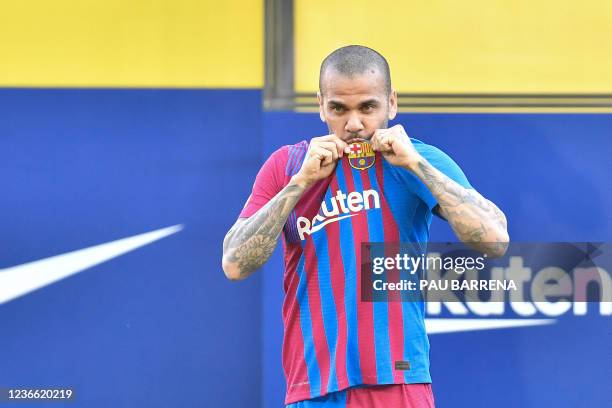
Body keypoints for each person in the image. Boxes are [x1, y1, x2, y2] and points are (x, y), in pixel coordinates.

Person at [222, 45, 509, 407]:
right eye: (338, 108)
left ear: (391, 104)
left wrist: (416, 165)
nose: (354, 124)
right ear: (321, 105)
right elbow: (234, 263)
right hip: (313, 386)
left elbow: (496, 239)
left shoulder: (416, 160)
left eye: (368, 107)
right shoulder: (288, 165)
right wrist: (299, 183)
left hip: (397, 380)